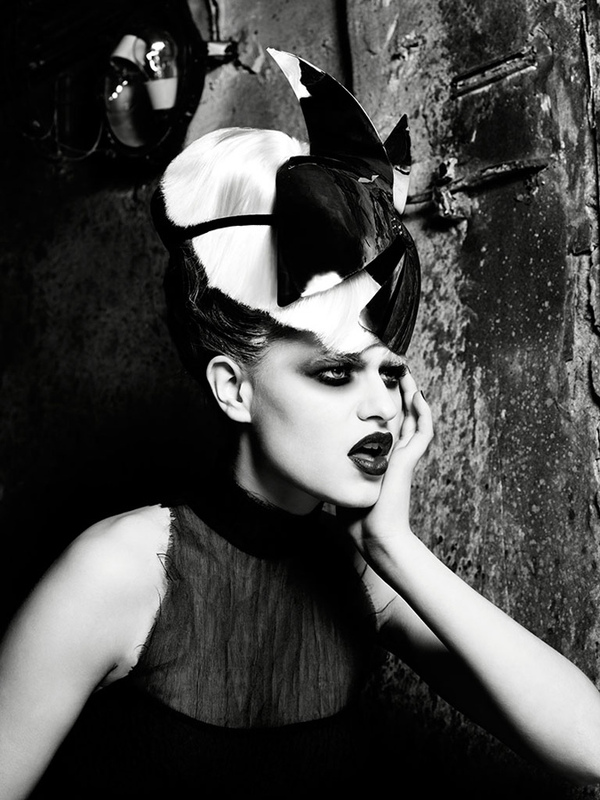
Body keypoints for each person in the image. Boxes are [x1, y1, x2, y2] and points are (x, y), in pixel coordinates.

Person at [1, 48, 600, 799]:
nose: (382, 405)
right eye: (335, 373)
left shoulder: (362, 573)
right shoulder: (119, 572)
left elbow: (591, 751)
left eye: (389, 372)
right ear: (235, 389)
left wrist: (396, 548)